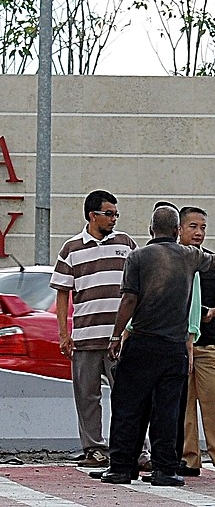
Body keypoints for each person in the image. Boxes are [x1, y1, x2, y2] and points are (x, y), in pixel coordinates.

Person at [97, 206, 215, 486]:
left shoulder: (137, 257)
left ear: (150, 229)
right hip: (175, 347)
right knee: (168, 411)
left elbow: (129, 300)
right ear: (177, 230)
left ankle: (121, 467)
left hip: (142, 342)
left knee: (129, 408)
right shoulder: (189, 256)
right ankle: (165, 470)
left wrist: (116, 336)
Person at [50, 190, 136, 469]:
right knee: (88, 397)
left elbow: (138, 288)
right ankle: (94, 449)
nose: (113, 219)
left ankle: (134, 450)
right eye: (108, 213)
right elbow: (62, 293)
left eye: (115, 214)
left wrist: (129, 329)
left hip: (119, 338)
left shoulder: (126, 244)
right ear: (92, 215)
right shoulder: (71, 248)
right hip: (86, 335)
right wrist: (64, 334)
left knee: (128, 396)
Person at [177, 206, 215, 481]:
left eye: (202, 227)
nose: (198, 232)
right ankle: (187, 458)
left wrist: (213, 313)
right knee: (182, 404)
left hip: (209, 344)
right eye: (193, 226)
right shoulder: (170, 259)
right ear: (179, 229)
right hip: (176, 344)